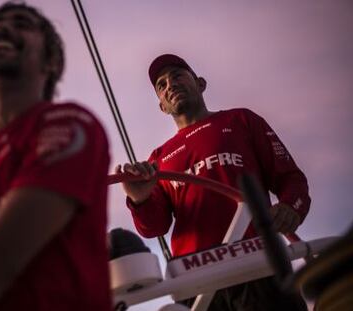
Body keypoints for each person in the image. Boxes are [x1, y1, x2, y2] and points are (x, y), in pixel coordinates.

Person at [0, 2, 111, 311]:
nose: (2, 29)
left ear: (52, 61)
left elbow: (0, 256)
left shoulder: (70, 124)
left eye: (22, 23)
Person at [116, 54, 311, 310]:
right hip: (196, 278)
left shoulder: (241, 120)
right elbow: (154, 227)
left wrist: (290, 207)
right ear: (162, 106)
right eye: (161, 85)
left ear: (200, 83)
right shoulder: (159, 159)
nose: (170, 85)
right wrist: (139, 198)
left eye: (177, 75)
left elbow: (290, 178)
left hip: (257, 264)